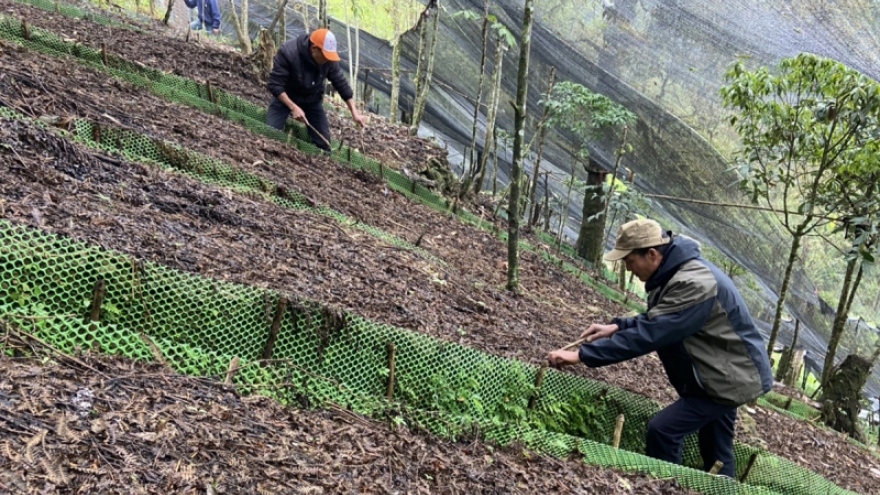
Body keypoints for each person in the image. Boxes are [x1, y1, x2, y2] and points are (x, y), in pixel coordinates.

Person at [546, 219, 772, 478]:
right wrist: (619, 327)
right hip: (725, 373)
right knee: (717, 451)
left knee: (663, 430)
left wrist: (581, 355)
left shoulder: (694, 282)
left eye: (629, 261)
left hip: (728, 379)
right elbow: (664, 316)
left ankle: (665, 486)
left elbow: (654, 333)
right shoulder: (675, 272)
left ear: (652, 254)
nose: (628, 269)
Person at [266, 28, 367, 152]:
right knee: (271, 134)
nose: (327, 60)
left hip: (311, 100)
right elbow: (275, 85)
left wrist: (354, 112)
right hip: (286, 98)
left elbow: (341, 84)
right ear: (314, 49)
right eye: (325, 56)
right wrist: (293, 107)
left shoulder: (329, 61)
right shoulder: (289, 52)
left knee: (325, 145)